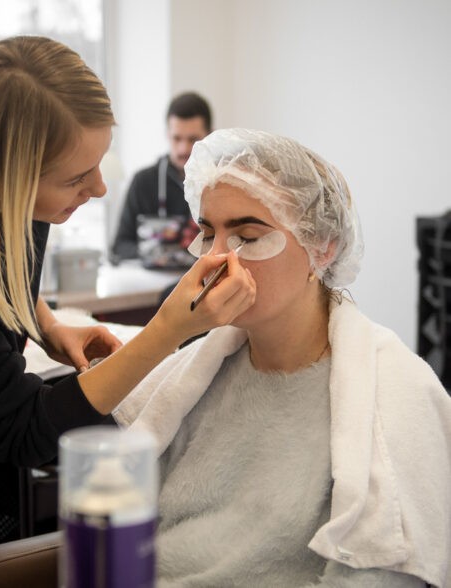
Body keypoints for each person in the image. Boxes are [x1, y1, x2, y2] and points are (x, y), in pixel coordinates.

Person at [0, 39, 257, 552]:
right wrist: (169, 329)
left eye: (98, 163)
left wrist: (46, 323)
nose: (100, 189)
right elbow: (24, 431)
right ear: (1, 179)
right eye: (76, 178)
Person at [114, 129, 451, 587]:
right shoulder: (194, 379)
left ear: (322, 247)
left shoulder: (394, 392)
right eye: (208, 234)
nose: (216, 260)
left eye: (248, 237)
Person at [110, 91, 212, 262]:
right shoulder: (143, 182)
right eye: (176, 138)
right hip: (154, 278)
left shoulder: (222, 183)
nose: (183, 149)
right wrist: (155, 252)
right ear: (167, 134)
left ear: (209, 136)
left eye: (193, 139)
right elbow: (120, 246)